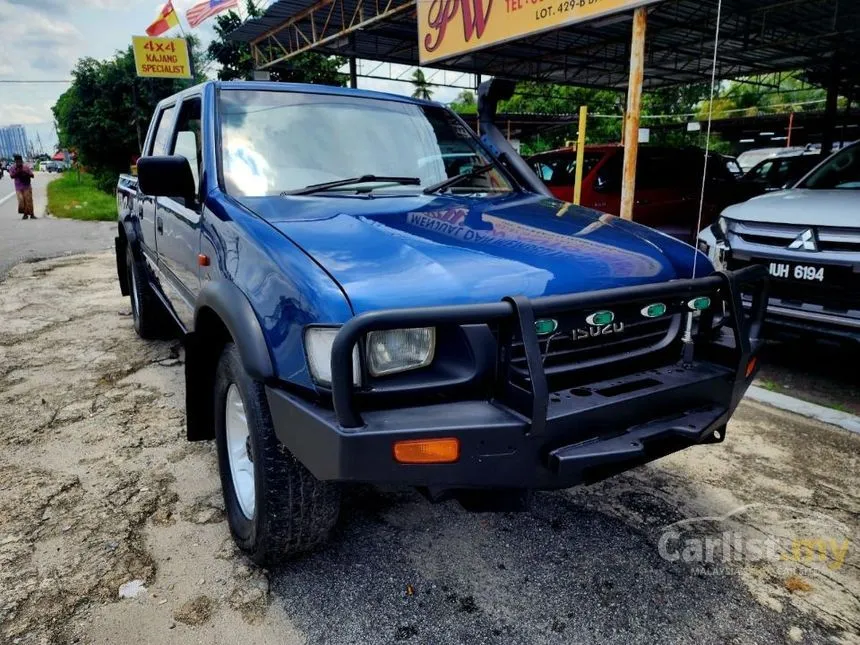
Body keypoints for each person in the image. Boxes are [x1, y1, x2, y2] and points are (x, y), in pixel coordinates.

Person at [9, 154, 35, 219]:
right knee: (21, 200)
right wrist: (18, 172)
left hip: (27, 186)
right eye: (17, 161)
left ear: (21, 161)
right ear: (15, 161)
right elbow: (11, 176)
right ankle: (24, 213)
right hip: (18, 187)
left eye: (20, 161)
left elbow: (32, 175)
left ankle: (31, 214)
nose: (18, 163)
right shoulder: (13, 168)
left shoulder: (26, 167)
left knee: (28, 201)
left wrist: (26, 173)